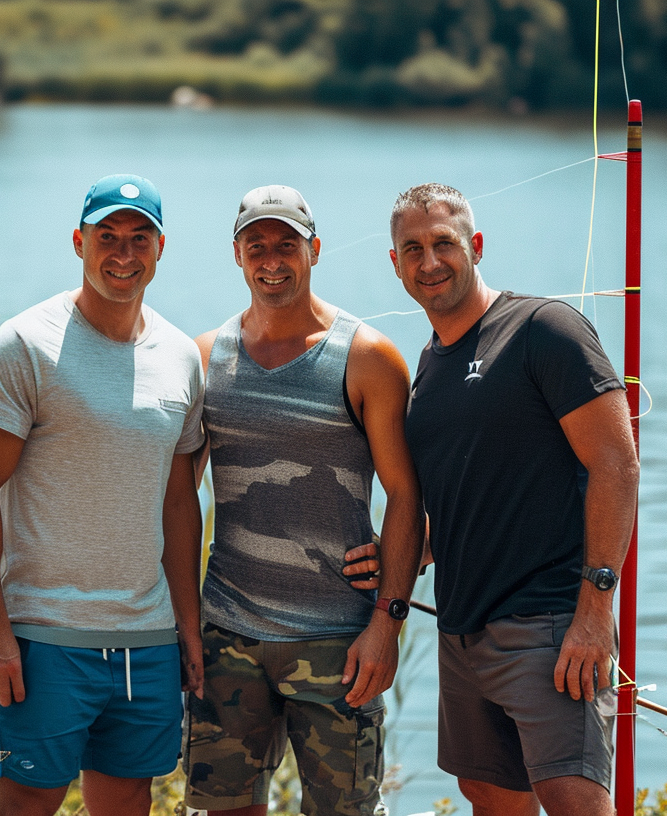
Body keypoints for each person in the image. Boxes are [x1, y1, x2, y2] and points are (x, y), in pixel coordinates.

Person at [0, 174, 205, 816]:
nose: (123, 253)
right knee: (28, 803)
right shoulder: (22, 347)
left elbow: (180, 505)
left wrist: (186, 627)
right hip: (45, 640)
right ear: (79, 242)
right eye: (107, 236)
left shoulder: (179, 356)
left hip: (146, 641)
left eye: (138, 237)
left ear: (161, 247)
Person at [389, 183, 640, 816]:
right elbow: (462, 500)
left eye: (444, 243)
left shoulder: (542, 328)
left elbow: (616, 462)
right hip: (462, 628)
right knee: (491, 799)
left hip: (549, 625)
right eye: (411, 248)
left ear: (474, 245)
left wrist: (595, 609)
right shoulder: (430, 362)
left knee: (573, 801)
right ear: (394, 264)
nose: (429, 262)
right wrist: (395, 556)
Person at [183, 185, 425, 816]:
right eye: (256, 245)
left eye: (287, 244)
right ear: (236, 255)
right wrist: (184, 625)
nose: (272, 259)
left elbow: (405, 496)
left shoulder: (368, 358)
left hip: (339, 646)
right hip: (227, 637)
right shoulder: (205, 357)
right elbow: (177, 498)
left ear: (314, 249)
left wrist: (386, 624)